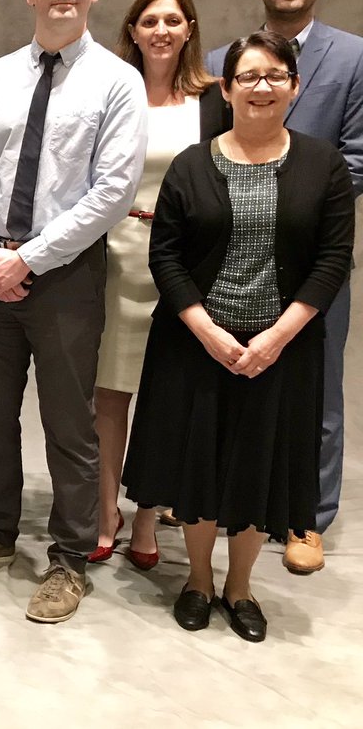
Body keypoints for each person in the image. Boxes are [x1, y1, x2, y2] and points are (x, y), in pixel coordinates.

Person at [0, 0, 146, 623]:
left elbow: (111, 192)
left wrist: (30, 258)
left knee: (68, 426)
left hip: (64, 279)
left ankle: (70, 559)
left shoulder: (117, 81)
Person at [124, 31, 354, 642]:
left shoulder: (322, 165)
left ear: (294, 86)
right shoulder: (191, 165)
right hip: (196, 347)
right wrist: (206, 330)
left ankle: (240, 586)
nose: (261, 87)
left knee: (258, 467)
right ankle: (198, 579)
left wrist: (276, 338)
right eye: (247, 76)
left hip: (281, 350)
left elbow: (333, 259)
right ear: (225, 90)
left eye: (274, 75)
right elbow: (165, 256)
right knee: (199, 469)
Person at [206, 0, 363, 575]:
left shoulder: (355, 59)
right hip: (228, 258)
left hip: (312, 255)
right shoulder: (221, 59)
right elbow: (205, 161)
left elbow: (358, 156)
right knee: (225, 376)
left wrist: (286, 198)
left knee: (317, 388)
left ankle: (306, 517)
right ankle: (222, 498)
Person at [89, 0, 228, 569]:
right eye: (150, 21)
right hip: (112, 256)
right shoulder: (109, 93)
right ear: (133, 31)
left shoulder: (214, 100)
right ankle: (103, 510)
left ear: (189, 29)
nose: (162, 31)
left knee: (162, 392)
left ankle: (146, 514)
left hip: (182, 261)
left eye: (173, 20)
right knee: (108, 393)